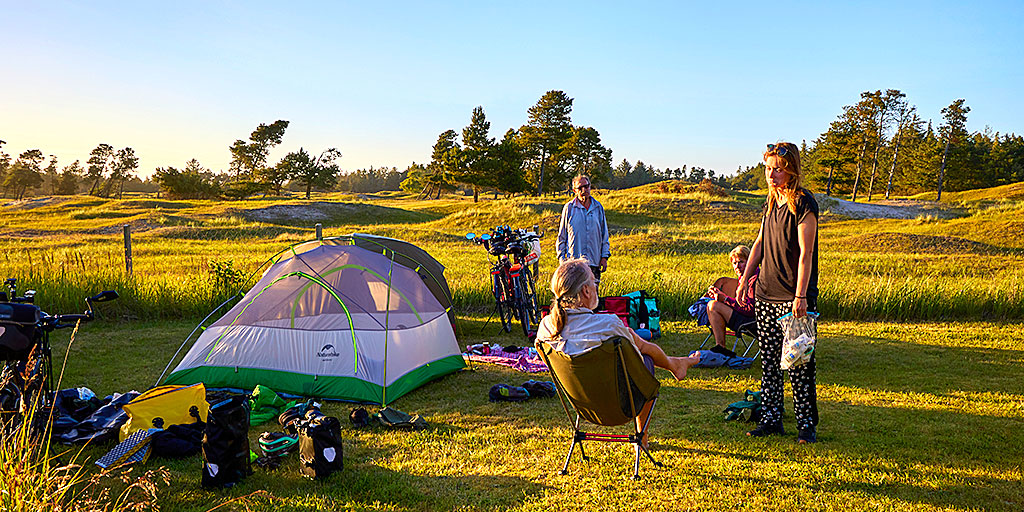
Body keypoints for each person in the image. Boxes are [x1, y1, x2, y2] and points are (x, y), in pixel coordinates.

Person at [536, 258, 699, 447]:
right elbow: (636, 364)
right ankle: (642, 436)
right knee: (644, 355)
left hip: (583, 404)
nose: (596, 287)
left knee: (633, 340)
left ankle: (675, 364)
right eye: (594, 282)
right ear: (586, 291)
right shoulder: (609, 324)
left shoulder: (546, 328)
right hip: (621, 407)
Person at [736, 142, 820, 444]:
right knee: (769, 362)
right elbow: (758, 243)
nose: (771, 175)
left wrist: (800, 297)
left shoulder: (803, 202)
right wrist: (746, 280)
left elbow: (806, 253)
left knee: (799, 363)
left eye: (778, 170)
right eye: (768, 169)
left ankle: (806, 426)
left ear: (791, 171)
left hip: (793, 298)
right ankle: (771, 420)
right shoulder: (770, 202)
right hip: (765, 293)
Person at [556, 175, 610, 288]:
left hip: (594, 262)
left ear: (590, 187)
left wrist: (604, 257)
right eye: (580, 188)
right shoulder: (569, 208)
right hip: (574, 264)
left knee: (592, 298)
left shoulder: (598, 207)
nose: (584, 190)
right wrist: (562, 260)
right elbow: (562, 236)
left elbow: (604, 234)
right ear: (575, 190)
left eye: (586, 186)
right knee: (575, 298)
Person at [706, 245, 759, 358]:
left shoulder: (754, 279)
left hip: (752, 321)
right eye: (734, 263)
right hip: (745, 316)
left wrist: (725, 299)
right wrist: (719, 296)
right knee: (712, 304)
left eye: (741, 262)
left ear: (750, 262)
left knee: (713, 306)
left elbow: (750, 310)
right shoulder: (744, 277)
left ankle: (721, 347)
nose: (737, 266)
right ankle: (720, 347)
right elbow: (742, 303)